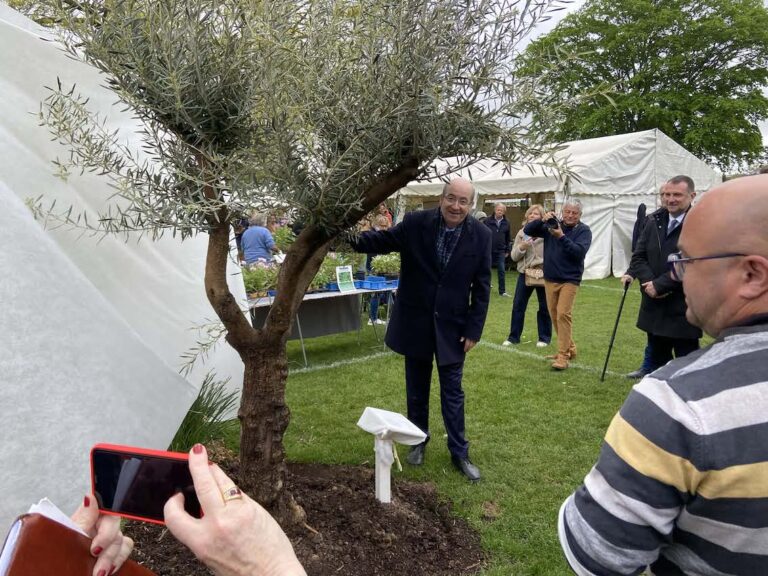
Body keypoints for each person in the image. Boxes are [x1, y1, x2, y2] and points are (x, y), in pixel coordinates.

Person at [558, 174, 768, 574]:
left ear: (752, 275)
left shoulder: (681, 404)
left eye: (688, 261)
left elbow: (597, 552)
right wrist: (646, 279)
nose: (683, 272)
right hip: (653, 306)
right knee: (654, 349)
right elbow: (639, 254)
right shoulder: (653, 221)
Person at [352, 178, 492, 482]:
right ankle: (418, 440)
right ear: (441, 199)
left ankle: (459, 452)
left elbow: (482, 288)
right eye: (451, 198)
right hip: (416, 321)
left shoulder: (481, 235)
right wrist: (343, 235)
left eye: (463, 201)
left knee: (452, 392)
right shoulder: (416, 223)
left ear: (471, 205)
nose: (456, 206)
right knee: (416, 388)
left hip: (453, 328)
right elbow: (380, 241)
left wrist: (474, 330)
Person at [621, 176, 701, 378]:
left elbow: (694, 261)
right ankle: (651, 371)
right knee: (656, 343)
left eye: (677, 195)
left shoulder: (700, 223)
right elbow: (639, 256)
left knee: (685, 357)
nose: (670, 199)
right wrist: (649, 283)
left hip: (682, 300)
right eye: (666, 194)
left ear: (692, 195)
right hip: (653, 297)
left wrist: (661, 284)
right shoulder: (653, 220)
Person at [524, 199, 591, 370]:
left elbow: (578, 252)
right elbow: (528, 230)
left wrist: (561, 236)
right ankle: (570, 348)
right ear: (563, 211)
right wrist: (543, 219)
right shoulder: (552, 225)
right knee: (554, 315)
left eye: (574, 213)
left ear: (580, 215)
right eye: (567, 212)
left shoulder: (583, 230)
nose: (570, 215)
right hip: (550, 277)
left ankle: (563, 356)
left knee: (563, 314)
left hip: (570, 279)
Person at [503, 204, 551, 347]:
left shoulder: (548, 232)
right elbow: (513, 256)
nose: (532, 216)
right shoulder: (521, 233)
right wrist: (522, 247)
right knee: (518, 305)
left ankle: (544, 338)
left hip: (543, 273)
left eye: (536, 214)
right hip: (525, 273)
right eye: (530, 213)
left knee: (544, 307)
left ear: (541, 217)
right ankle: (513, 337)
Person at [484, 203, 511, 296]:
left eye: (502, 210)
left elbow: (508, 237)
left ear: (504, 212)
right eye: (498, 210)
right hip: (488, 249)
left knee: (501, 270)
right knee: (486, 269)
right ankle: (485, 287)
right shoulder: (487, 221)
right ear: (495, 210)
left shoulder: (507, 222)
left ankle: (502, 291)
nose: (500, 211)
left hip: (501, 250)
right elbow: (483, 234)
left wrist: (507, 250)